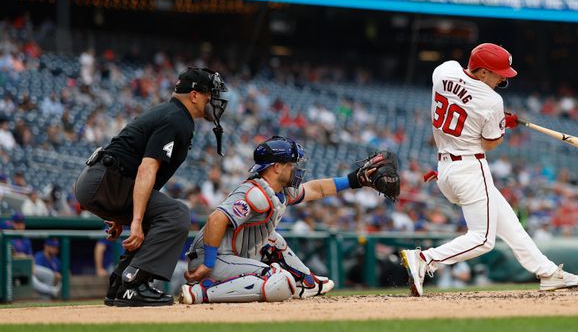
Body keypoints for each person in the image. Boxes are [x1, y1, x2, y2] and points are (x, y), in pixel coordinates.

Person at [400, 43, 578, 295]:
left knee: (510, 224)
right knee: (483, 240)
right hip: (470, 168)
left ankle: (548, 272)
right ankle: (425, 259)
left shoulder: (445, 70)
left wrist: (497, 120)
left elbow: (462, 100)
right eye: (498, 72)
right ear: (482, 71)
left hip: (446, 169)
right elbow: (490, 143)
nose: (503, 77)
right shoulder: (491, 100)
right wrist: (503, 125)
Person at [73, 67, 228, 307]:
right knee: (176, 214)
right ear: (195, 95)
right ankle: (134, 284)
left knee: (159, 216)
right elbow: (147, 168)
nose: (214, 101)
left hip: (105, 180)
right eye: (211, 95)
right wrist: (133, 220)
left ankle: (120, 286)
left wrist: (119, 216)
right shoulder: (176, 118)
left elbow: (135, 166)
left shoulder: (173, 114)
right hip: (107, 181)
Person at [179, 135, 385, 304]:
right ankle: (200, 292)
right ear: (276, 167)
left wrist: (354, 180)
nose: (295, 168)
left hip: (232, 257)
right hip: (213, 260)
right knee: (280, 281)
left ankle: (306, 282)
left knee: (272, 238)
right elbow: (216, 219)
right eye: (291, 163)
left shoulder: (279, 191)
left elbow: (316, 189)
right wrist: (207, 264)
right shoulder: (255, 193)